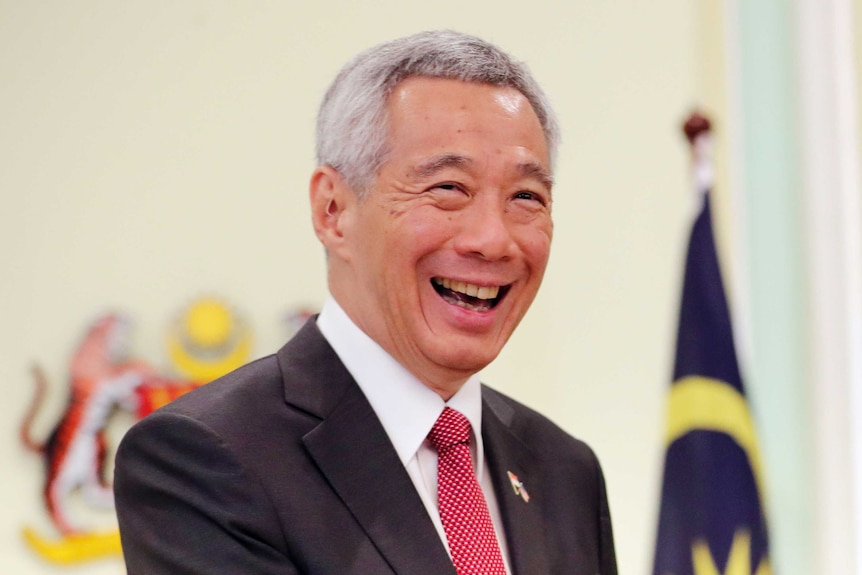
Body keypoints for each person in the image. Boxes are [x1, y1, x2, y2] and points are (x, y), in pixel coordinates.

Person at [114, 30, 618, 575]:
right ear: (333, 210)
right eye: (449, 188)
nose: (493, 240)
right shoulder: (206, 456)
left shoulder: (565, 470)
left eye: (526, 197)